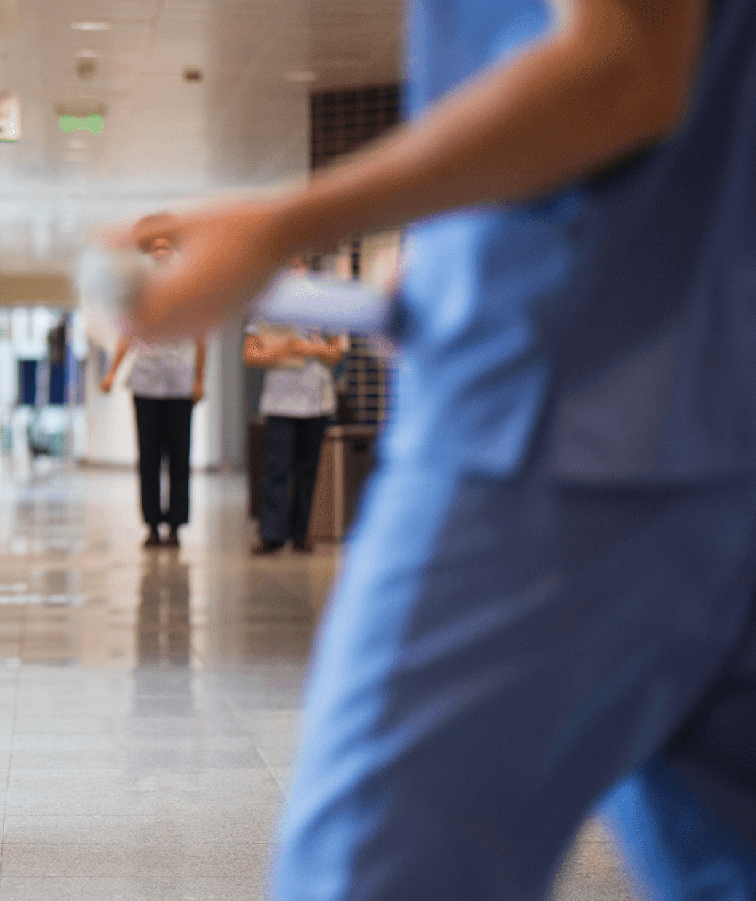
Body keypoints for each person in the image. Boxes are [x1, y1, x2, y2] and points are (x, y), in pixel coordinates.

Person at [120, 0, 756, 898]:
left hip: (556, 426)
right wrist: (449, 243)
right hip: (704, 399)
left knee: (370, 872)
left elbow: (624, 67)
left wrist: (279, 226)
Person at [99, 231, 207, 549]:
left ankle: (175, 525)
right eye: (156, 249)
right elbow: (126, 336)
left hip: (179, 384)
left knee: (178, 457)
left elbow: (201, 338)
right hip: (145, 383)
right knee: (148, 457)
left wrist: (199, 379)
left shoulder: (191, 290)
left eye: (167, 248)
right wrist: (112, 372)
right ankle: (151, 525)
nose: (161, 254)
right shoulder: (138, 294)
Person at [242, 313, 343, 555]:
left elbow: (336, 354)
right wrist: (285, 350)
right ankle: (271, 535)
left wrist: (309, 348)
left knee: (307, 470)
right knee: (276, 468)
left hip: (316, 401)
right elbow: (251, 355)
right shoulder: (267, 310)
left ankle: (301, 534)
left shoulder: (327, 309)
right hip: (280, 402)